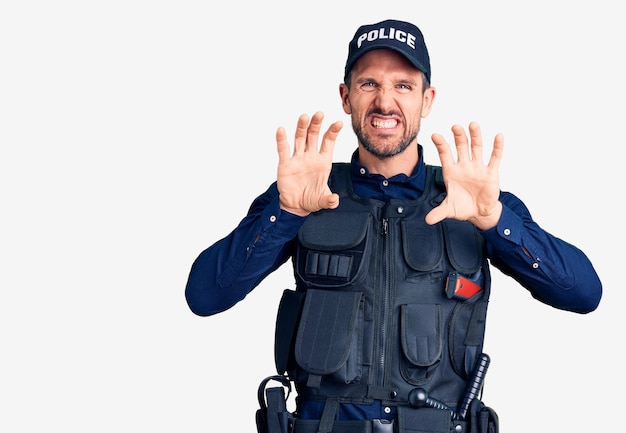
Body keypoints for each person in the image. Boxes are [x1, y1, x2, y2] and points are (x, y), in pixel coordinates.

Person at [185, 18, 602, 433]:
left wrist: (496, 222)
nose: (385, 102)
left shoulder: (470, 201)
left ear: (427, 99)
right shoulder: (307, 192)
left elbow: (584, 293)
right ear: (346, 97)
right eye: (369, 84)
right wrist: (286, 213)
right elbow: (204, 295)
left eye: (403, 85)